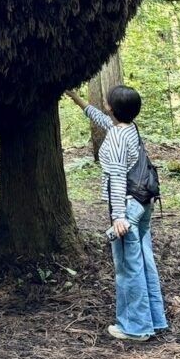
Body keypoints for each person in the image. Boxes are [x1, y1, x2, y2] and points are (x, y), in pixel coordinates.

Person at [69, 84, 168, 342]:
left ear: (112, 107)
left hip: (126, 207)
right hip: (143, 203)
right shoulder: (129, 129)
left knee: (128, 267)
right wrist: (75, 98)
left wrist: (118, 216)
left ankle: (134, 327)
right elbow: (102, 120)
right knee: (144, 262)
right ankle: (154, 319)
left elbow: (116, 179)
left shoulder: (115, 138)